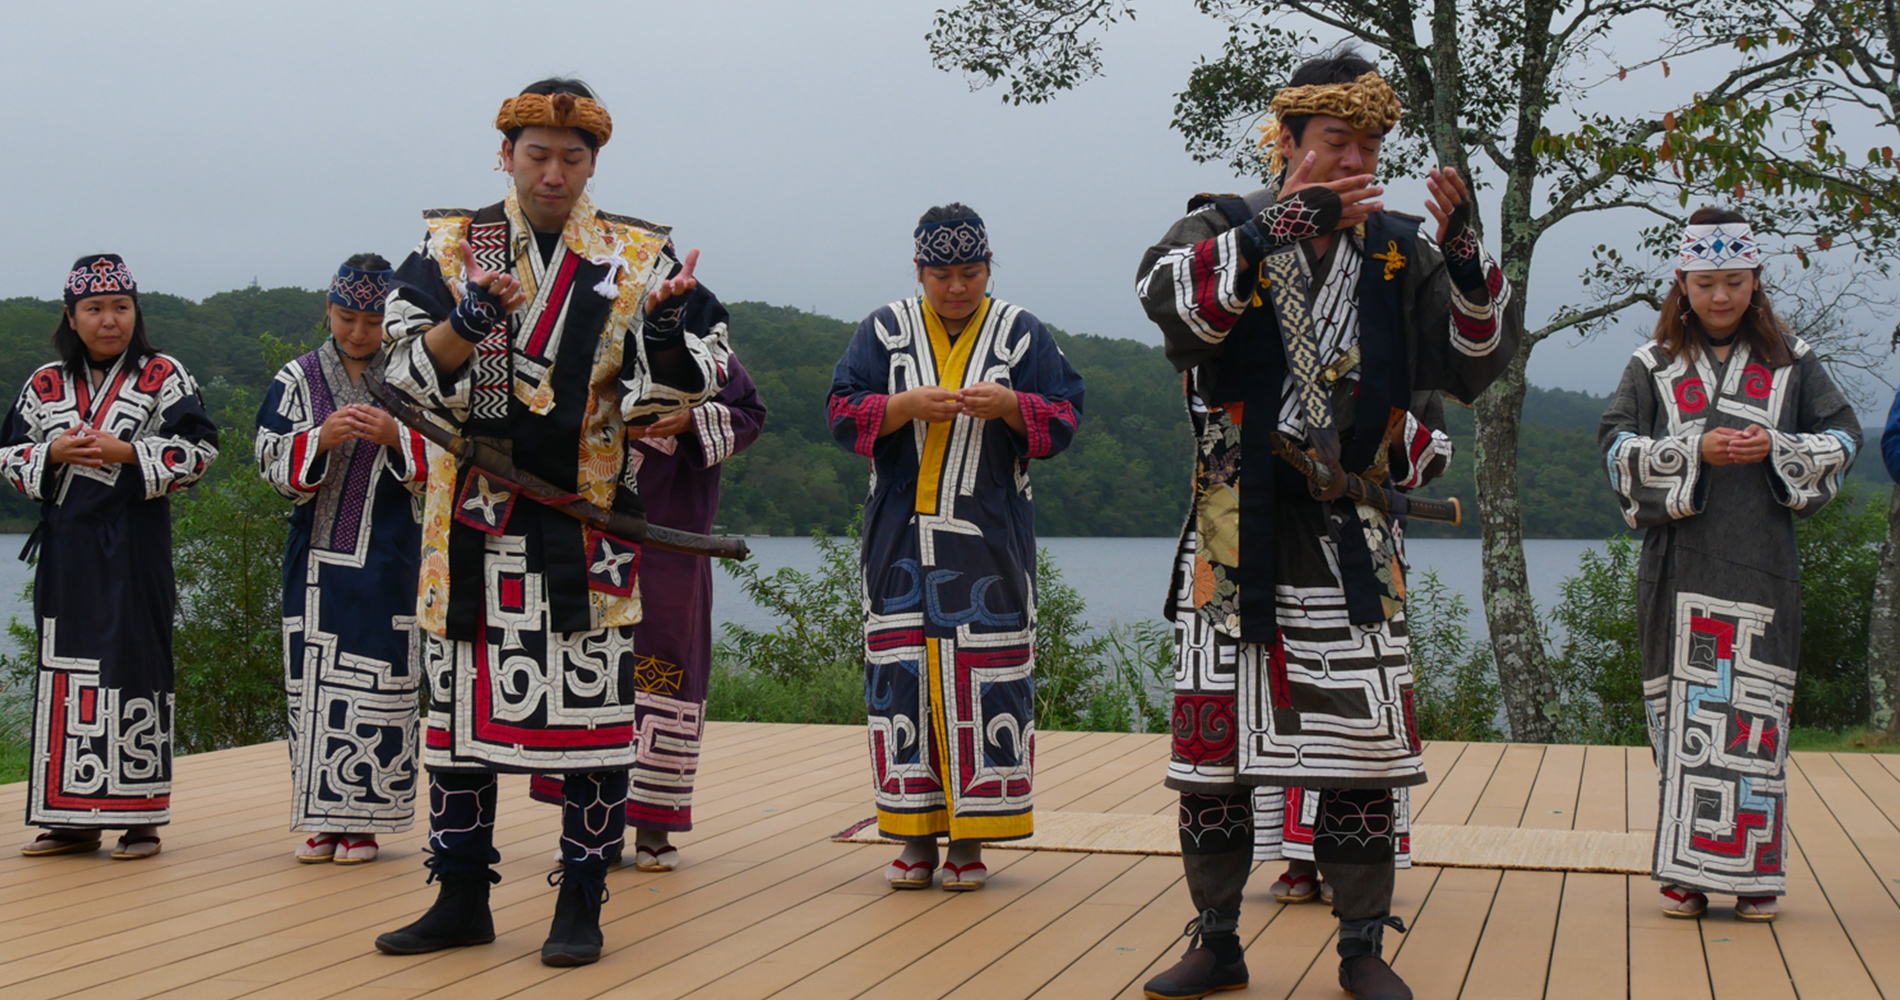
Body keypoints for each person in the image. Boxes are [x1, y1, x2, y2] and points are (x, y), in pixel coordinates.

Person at [1134, 51, 1519, 1000]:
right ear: (1289, 143)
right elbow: (1170, 305)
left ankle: (1360, 945)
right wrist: (1276, 228)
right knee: (1213, 758)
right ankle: (1217, 938)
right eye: (1335, 142)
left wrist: (1467, 261)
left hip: (1350, 537)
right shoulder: (1221, 225)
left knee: (1361, 754)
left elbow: (1473, 362)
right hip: (1235, 533)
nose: (1354, 159)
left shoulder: (1393, 246)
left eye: (1369, 144)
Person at [371, 78, 731, 967]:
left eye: (573, 158)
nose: (554, 173)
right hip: (468, 520)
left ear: (594, 164)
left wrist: (669, 324)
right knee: (457, 714)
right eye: (538, 155)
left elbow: (688, 384)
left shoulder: (638, 254)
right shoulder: (449, 246)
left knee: (595, 720)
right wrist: (471, 319)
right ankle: (460, 895)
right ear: (505, 154)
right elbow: (403, 371)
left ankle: (581, 899)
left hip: (588, 516)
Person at [1602, 207, 1858, 923]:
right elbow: (1613, 445)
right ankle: (1685, 871)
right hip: (1677, 571)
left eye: (1735, 282)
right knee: (1680, 716)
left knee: (1757, 717)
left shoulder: (1794, 364)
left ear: (1756, 283)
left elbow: (1844, 433)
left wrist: (1778, 448)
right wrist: (1691, 454)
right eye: (1707, 283)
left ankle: (1753, 873)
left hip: (1761, 572)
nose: (1721, 297)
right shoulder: (1650, 366)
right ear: (1682, 283)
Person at [829, 204, 1084, 892]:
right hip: (899, 538)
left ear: (988, 267)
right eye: (942, 274)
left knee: (989, 677)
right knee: (901, 677)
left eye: (971, 272)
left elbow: (1066, 415)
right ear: (918, 270)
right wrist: (902, 407)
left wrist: (1011, 407)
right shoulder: (882, 330)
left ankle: (972, 841)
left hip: (989, 536)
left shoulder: (1022, 332)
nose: (957, 288)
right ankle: (912, 837)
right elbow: (840, 409)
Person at [5, 254, 220, 861]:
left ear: (136, 312)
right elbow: (7, 455)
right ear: (70, 318)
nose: (109, 321)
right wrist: (50, 454)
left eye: (120, 307)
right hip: (69, 550)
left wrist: (127, 452)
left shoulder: (163, 375)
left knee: (135, 665)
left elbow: (201, 449)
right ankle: (70, 817)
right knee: (67, 668)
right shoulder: (44, 384)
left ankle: (139, 817)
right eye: (95, 309)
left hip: (135, 544)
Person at [527, 355, 765, 869]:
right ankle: (590, 824)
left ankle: (655, 825)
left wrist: (692, 420)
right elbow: (537, 407)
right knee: (585, 672)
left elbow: (749, 413)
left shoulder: (703, 345)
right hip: (588, 532)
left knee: (668, 670)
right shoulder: (585, 326)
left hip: (672, 541)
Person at [256, 254, 428, 865]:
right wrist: (318, 440)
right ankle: (322, 819)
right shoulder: (297, 378)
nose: (359, 331)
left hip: (392, 557)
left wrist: (397, 437)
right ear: (328, 310)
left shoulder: (412, 377)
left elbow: (452, 459)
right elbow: (270, 459)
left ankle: (367, 823)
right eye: (347, 317)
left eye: (373, 319)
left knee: (384, 683)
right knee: (310, 685)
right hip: (315, 560)